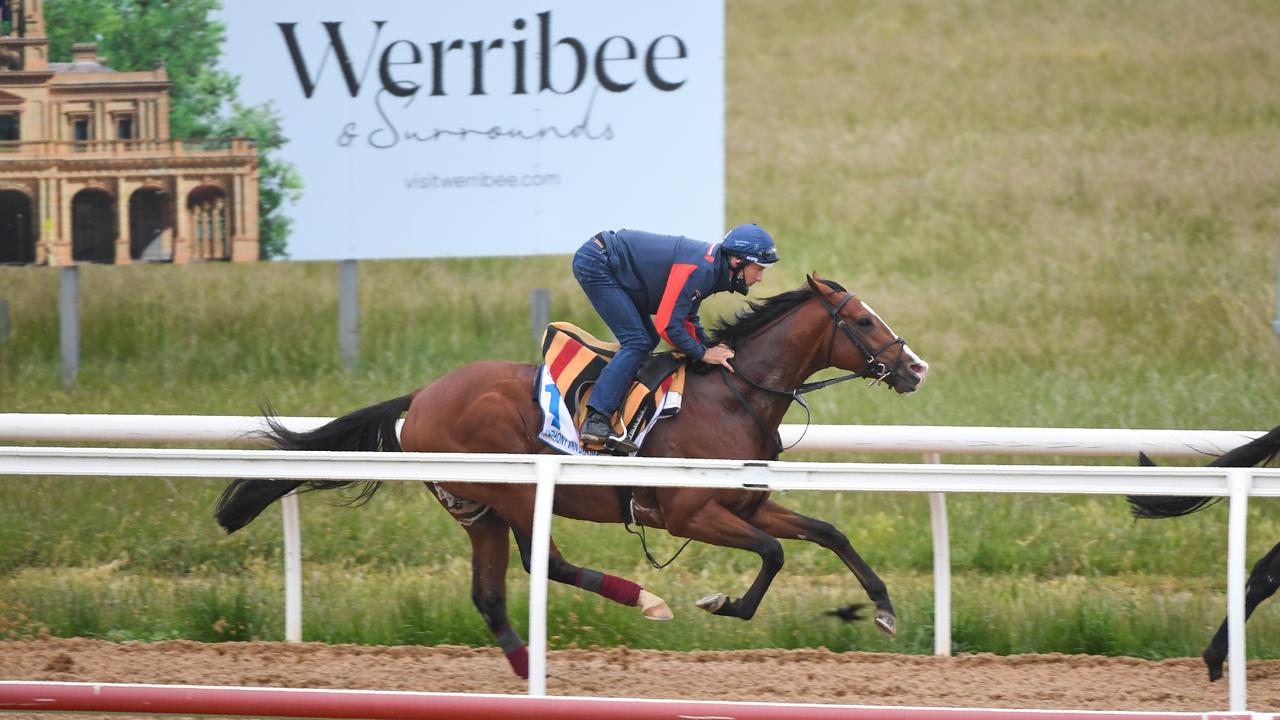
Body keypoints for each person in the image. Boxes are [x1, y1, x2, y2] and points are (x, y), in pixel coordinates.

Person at [571, 223, 780, 453]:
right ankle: (596, 419)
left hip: (613, 263)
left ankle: (622, 401)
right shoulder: (703, 270)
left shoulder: (713, 269)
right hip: (597, 262)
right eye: (758, 268)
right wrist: (703, 353)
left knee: (646, 340)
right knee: (638, 341)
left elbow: (687, 317)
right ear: (737, 262)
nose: (760, 277)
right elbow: (668, 326)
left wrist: (709, 345)